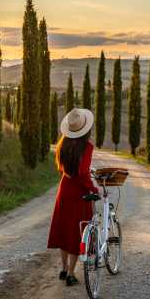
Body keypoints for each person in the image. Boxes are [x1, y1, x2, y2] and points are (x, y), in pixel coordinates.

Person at [47, 107, 99, 286]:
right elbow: (83, 173)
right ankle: (71, 273)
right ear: (86, 128)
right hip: (79, 193)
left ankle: (63, 269)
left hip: (65, 189)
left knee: (64, 230)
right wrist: (93, 188)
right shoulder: (87, 146)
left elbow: (63, 169)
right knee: (77, 231)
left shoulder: (63, 143)